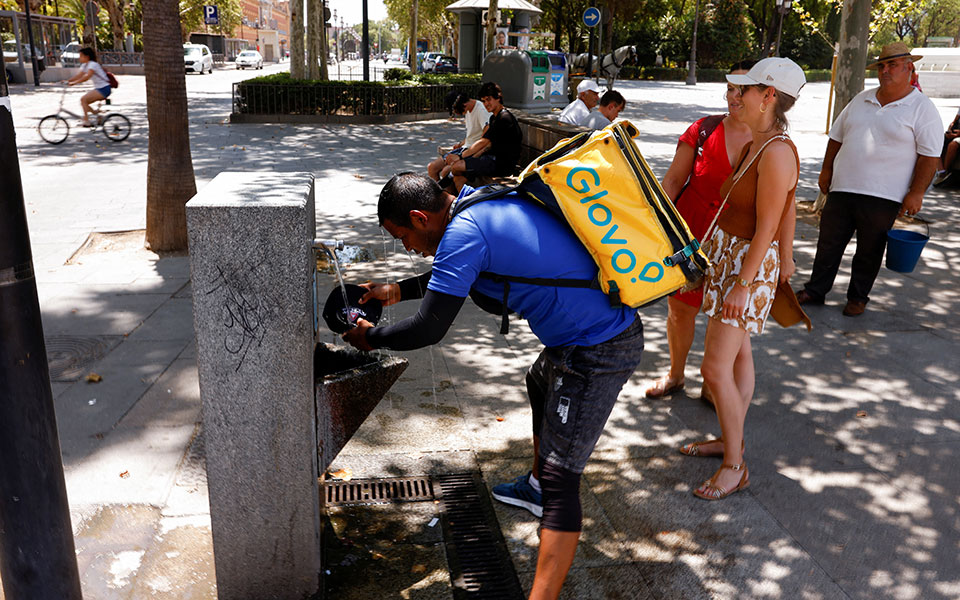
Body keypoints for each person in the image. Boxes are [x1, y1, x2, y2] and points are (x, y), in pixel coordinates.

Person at [342, 173, 644, 599]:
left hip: (598, 346)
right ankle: (535, 488)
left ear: (418, 216)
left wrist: (370, 338)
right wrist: (398, 290)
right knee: (539, 381)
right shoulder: (476, 201)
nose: (408, 247)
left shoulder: (463, 232)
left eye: (403, 236)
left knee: (563, 478)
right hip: (577, 337)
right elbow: (461, 270)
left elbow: (430, 327)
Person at [683, 57, 804, 500]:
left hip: (745, 265)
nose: (735, 96)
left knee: (713, 368)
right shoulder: (760, 141)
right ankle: (729, 440)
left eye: (745, 90)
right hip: (730, 256)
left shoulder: (775, 151)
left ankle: (735, 464)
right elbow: (783, 207)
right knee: (737, 359)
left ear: (768, 96)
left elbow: (771, 221)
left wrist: (743, 283)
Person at [796, 42, 942, 317]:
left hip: (884, 194)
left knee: (870, 249)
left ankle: (858, 297)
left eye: (893, 65)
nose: (885, 71)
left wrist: (916, 192)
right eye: (882, 66)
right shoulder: (861, 99)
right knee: (828, 242)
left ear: (909, 67)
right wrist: (826, 171)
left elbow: (930, 156)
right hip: (843, 186)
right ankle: (815, 290)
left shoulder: (922, 108)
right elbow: (836, 137)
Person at [643, 61, 756, 402]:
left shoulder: (771, 140)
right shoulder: (704, 129)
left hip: (736, 240)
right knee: (681, 310)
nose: (733, 97)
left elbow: (779, 201)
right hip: (691, 234)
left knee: (723, 313)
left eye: (742, 90)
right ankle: (676, 374)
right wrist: (657, 226)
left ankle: (713, 379)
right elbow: (674, 180)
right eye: (730, 88)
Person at [438, 82, 522, 192]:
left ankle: (449, 190)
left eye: (489, 99)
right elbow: (489, 145)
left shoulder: (504, 118)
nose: (486, 104)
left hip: (502, 165)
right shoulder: (494, 117)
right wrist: (472, 157)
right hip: (491, 159)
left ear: (498, 97)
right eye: (483, 101)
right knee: (458, 177)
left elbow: (483, 142)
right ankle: (458, 202)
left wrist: (461, 157)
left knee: (456, 167)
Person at [427, 92, 490, 181]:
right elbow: (473, 135)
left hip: (474, 151)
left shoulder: (481, 110)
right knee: (432, 167)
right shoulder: (468, 109)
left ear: (463, 104)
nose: (459, 114)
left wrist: (462, 157)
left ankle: (448, 194)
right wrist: (460, 144)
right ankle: (439, 194)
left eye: (457, 111)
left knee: (446, 172)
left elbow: (486, 139)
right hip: (465, 148)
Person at [65, 47, 111, 127]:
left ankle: (87, 121)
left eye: (81, 56)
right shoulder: (85, 65)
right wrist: (67, 81)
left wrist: (74, 83)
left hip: (104, 88)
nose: (79, 58)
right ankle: (98, 116)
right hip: (99, 88)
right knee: (84, 102)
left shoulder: (92, 64)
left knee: (83, 100)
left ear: (87, 57)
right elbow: (79, 75)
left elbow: (87, 76)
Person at [934, 107, 960, 186]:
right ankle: (941, 171)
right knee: (935, 141)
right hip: (956, 132)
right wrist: (950, 129)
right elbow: (954, 121)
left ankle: (945, 170)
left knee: (954, 144)